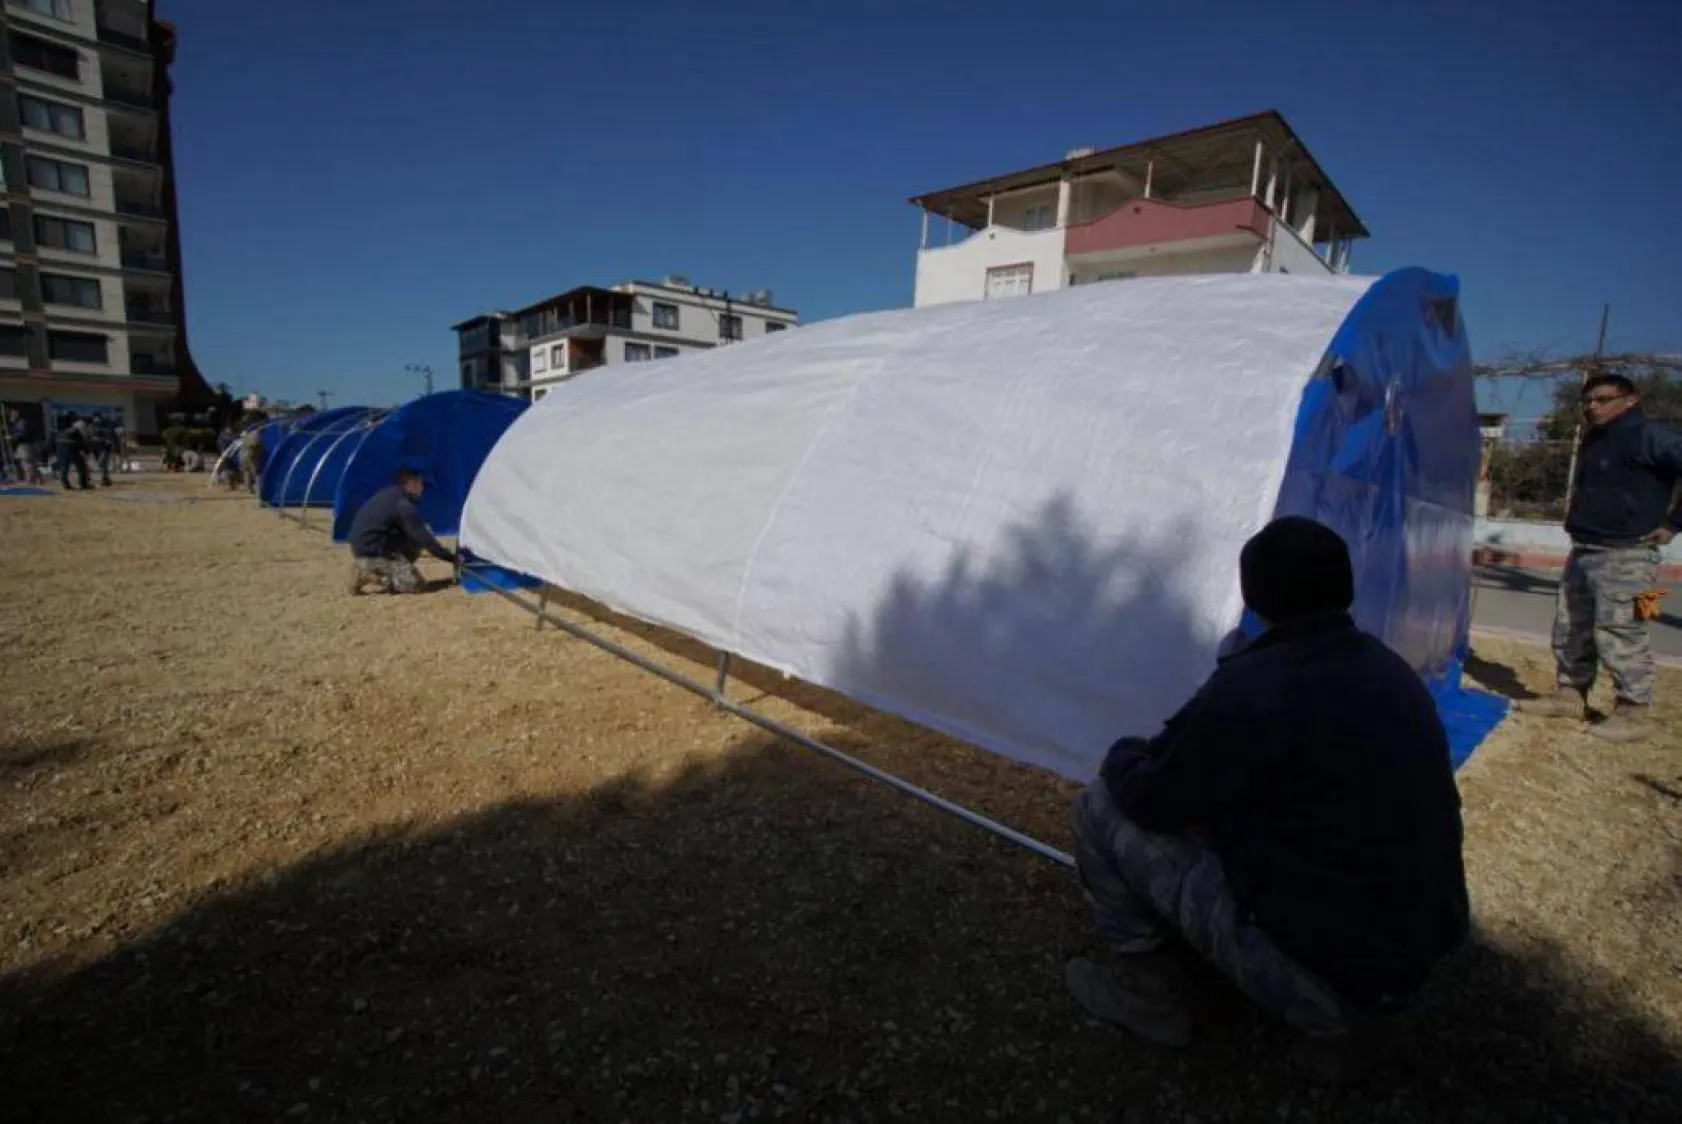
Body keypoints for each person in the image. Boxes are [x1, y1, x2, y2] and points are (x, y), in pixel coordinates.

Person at [1066, 516, 1468, 1083]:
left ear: (1253, 596)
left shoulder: (1257, 687)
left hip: (1334, 975)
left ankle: (1147, 997)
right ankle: (1355, 1013)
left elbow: (1154, 798)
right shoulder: (1389, 670)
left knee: (1098, 810)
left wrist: (1121, 754)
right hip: (1414, 960)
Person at [1519, 373, 1682, 742]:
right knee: (1571, 627)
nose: (1593, 406)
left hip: (1628, 554)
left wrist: (1673, 524)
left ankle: (1633, 711)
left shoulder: (1651, 436)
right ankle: (1570, 695)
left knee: (1622, 630)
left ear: (1630, 400)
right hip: (1585, 549)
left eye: (1603, 399)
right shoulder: (1597, 439)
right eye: (1588, 400)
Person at [346, 468, 457, 594]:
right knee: (416, 585)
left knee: (413, 543)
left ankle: (375, 566)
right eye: (420, 484)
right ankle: (372, 572)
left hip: (362, 547)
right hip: (375, 550)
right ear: (411, 483)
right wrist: (450, 558)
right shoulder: (403, 505)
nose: (422, 489)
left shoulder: (387, 495)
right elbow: (424, 539)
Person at [54, 414, 90, 491]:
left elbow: (53, 443)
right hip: (73, 452)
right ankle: (83, 484)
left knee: (64, 468)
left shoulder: (58, 431)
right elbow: (80, 442)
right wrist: (86, 450)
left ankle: (65, 485)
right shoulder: (74, 430)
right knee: (81, 467)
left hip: (62, 452)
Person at [89, 413, 116, 487]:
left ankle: (105, 479)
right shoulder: (91, 426)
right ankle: (106, 479)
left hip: (105, 447)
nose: (97, 419)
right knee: (103, 464)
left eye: (98, 418)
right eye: (95, 418)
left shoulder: (106, 426)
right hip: (96, 448)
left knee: (101, 463)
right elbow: (90, 436)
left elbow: (110, 436)